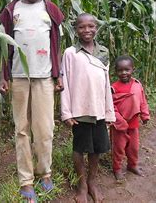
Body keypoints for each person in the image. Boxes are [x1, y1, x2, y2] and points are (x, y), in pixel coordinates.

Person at [0, 0, 64, 202]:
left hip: (44, 78)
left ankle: (45, 173)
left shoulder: (51, 10)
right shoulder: (11, 10)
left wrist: (59, 76)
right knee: (22, 130)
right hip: (18, 78)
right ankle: (26, 181)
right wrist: (3, 76)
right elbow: (4, 46)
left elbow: (56, 45)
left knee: (45, 130)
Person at [60, 13, 115, 203]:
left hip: (99, 108)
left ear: (96, 28)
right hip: (80, 109)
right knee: (80, 148)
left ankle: (92, 182)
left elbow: (106, 83)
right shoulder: (70, 53)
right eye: (82, 27)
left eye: (91, 26)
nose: (87, 30)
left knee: (96, 149)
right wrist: (66, 112)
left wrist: (109, 111)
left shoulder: (104, 52)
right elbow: (64, 82)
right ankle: (82, 185)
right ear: (75, 30)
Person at [110, 55, 150, 181]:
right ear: (116, 71)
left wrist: (145, 115)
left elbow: (142, 101)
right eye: (120, 70)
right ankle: (117, 169)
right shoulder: (113, 88)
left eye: (127, 70)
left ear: (133, 69)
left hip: (133, 124)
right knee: (118, 148)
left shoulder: (137, 85)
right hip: (119, 125)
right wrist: (119, 120)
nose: (124, 73)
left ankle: (132, 165)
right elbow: (110, 106)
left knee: (133, 147)